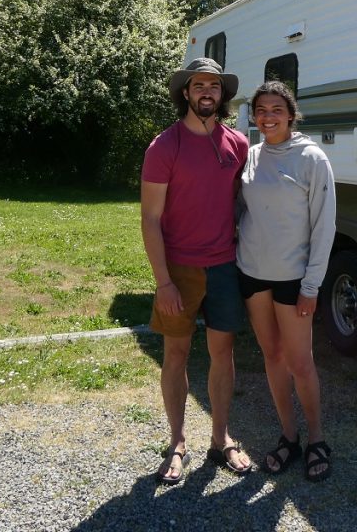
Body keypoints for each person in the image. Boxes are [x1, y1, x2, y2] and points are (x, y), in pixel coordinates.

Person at [140, 57, 253, 485]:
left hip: (225, 266)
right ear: (185, 92)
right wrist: (163, 281)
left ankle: (221, 439)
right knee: (176, 354)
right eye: (198, 85)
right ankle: (176, 443)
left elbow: (244, 203)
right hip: (180, 271)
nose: (207, 92)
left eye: (214, 86)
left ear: (222, 95)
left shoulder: (237, 144)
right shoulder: (164, 147)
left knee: (223, 355)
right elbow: (150, 218)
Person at [237, 81, 337, 482]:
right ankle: (289, 436)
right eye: (261, 110)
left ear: (291, 114)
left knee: (300, 362)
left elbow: (324, 226)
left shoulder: (311, 158)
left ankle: (316, 440)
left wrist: (311, 286)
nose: (268, 116)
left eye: (276, 109)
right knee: (272, 356)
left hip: (292, 281)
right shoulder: (251, 155)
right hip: (252, 275)